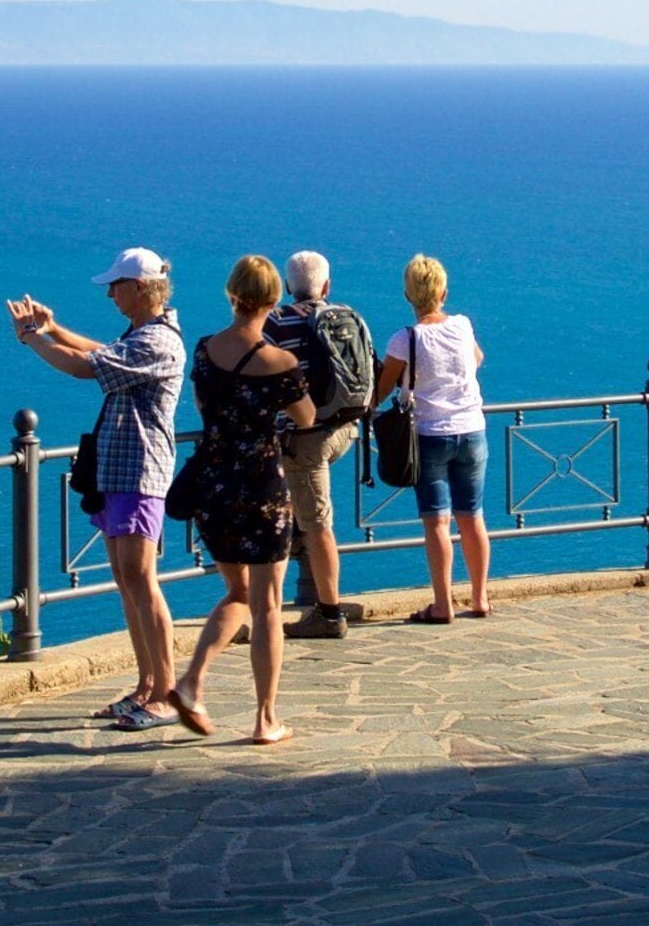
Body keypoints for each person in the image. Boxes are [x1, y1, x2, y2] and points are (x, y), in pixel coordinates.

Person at [8, 248, 183, 731]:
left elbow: (89, 367)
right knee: (128, 581)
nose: (110, 293)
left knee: (142, 580)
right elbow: (100, 352)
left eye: (117, 285)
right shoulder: (139, 334)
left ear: (142, 288)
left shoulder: (158, 342)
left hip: (140, 472)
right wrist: (52, 330)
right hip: (118, 470)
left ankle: (166, 693)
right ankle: (147, 686)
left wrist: (32, 339)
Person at [168, 254, 316, 743]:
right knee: (268, 603)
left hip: (213, 486)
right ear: (274, 303)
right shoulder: (281, 362)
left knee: (238, 593)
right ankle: (265, 718)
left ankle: (191, 681)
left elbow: (204, 409)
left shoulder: (205, 350)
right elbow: (306, 417)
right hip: (261, 490)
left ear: (232, 295)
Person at [263, 249, 374, 639]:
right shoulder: (346, 316)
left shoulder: (276, 324)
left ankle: (328, 613)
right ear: (326, 286)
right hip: (345, 429)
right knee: (304, 517)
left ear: (288, 286)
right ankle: (297, 550)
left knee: (318, 525)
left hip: (305, 439)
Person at [375, 253, 489, 623]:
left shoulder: (404, 340)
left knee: (437, 522)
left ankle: (442, 605)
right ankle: (480, 597)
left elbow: (380, 391)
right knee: (472, 517)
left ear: (409, 296)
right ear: (443, 292)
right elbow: (476, 359)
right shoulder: (462, 325)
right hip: (472, 431)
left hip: (429, 435)